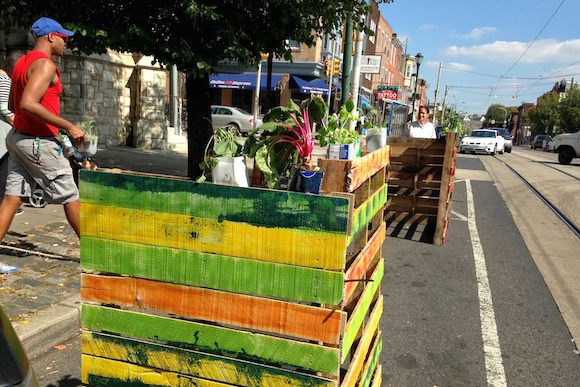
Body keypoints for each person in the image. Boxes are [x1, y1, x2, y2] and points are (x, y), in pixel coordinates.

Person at [0, 17, 85, 258]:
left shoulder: (21, 63)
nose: (66, 43)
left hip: (19, 139)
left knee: (12, 198)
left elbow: (15, 103)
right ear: (51, 37)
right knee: (70, 195)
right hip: (38, 143)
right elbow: (28, 103)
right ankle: (97, 254)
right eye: (64, 38)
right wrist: (69, 126)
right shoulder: (45, 65)